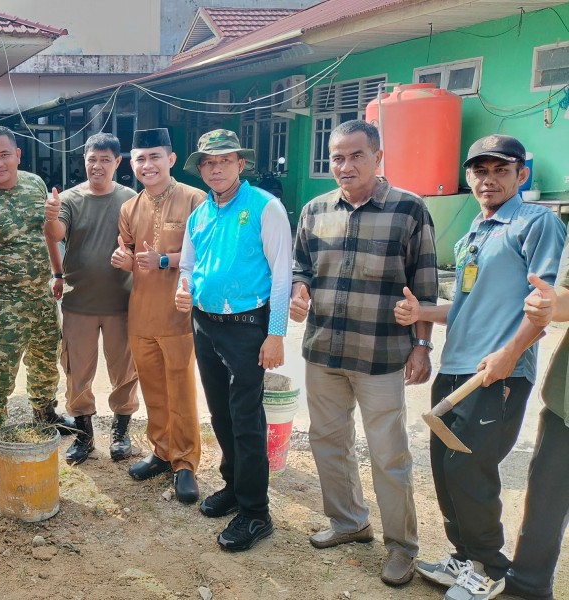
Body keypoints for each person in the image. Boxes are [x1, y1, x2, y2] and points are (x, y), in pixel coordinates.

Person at [395, 134, 564, 600]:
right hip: (458, 366)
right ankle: (463, 556)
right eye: (479, 171)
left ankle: (489, 567)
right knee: (447, 468)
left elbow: (543, 304)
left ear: (521, 175)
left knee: (471, 471)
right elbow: (467, 305)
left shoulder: (536, 223)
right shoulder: (477, 228)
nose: (488, 180)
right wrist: (422, 314)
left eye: (500, 170)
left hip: (497, 373)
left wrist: (510, 356)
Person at [290, 119, 438, 586]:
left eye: (356, 155)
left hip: (381, 355)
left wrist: (422, 345)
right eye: (337, 157)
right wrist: (299, 290)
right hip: (324, 350)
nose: (345, 165)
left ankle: (402, 547)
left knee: (388, 453)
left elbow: (427, 283)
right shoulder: (315, 210)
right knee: (327, 442)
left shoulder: (409, 210)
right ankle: (349, 522)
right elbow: (303, 265)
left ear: (378, 158)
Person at [175, 129, 291, 551]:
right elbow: (188, 264)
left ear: (241, 164)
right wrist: (183, 287)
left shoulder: (265, 207)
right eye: (209, 162)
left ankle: (256, 512)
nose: (217, 168)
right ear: (201, 169)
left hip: (247, 326)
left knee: (246, 419)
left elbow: (282, 274)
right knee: (221, 413)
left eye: (225, 160)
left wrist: (275, 333)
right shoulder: (200, 214)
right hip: (205, 323)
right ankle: (233, 486)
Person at [0, 125, 74, 483]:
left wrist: (57, 274)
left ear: (18, 155)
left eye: (4, 155)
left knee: (45, 363)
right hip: (1, 305)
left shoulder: (35, 185)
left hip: (40, 296)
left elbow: (47, 234)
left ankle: (45, 414)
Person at [113, 127, 205, 504]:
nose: (147, 165)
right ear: (132, 165)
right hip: (141, 315)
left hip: (179, 315)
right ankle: (162, 451)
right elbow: (128, 252)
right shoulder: (129, 208)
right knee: (152, 388)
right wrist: (120, 260)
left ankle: (185, 463)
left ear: (170, 159)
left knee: (180, 391)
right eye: (140, 159)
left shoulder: (195, 199)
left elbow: (207, 257)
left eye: (154, 157)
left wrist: (165, 260)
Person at [43, 132, 139, 465]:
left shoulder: (130, 199)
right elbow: (57, 235)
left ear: (117, 163)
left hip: (120, 303)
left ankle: (121, 432)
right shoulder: (69, 199)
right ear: (84, 160)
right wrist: (52, 215)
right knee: (77, 374)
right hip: (78, 302)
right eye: (91, 159)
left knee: (124, 372)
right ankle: (84, 437)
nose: (97, 166)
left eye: (104, 160)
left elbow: (139, 245)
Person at [514, 250, 569, 600]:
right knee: (545, 498)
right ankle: (527, 582)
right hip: (566, 406)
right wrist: (551, 306)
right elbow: (566, 294)